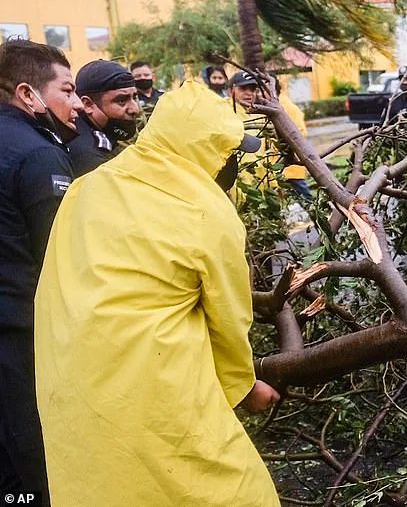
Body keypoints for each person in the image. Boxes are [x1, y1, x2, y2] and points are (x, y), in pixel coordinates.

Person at [34, 81, 281, 506]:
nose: (233, 163)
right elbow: (228, 318)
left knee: (101, 481)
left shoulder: (90, 185)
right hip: (152, 378)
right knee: (229, 489)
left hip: (69, 374)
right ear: (206, 150)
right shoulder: (206, 210)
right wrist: (243, 387)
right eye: (230, 152)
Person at [0, 39, 82, 506]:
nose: (75, 104)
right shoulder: (39, 154)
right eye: (67, 91)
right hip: (21, 335)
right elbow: (59, 258)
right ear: (29, 94)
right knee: (34, 461)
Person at [70, 60, 141, 176]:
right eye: (122, 100)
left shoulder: (99, 133)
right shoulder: (90, 155)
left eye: (134, 97)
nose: (135, 109)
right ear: (88, 104)